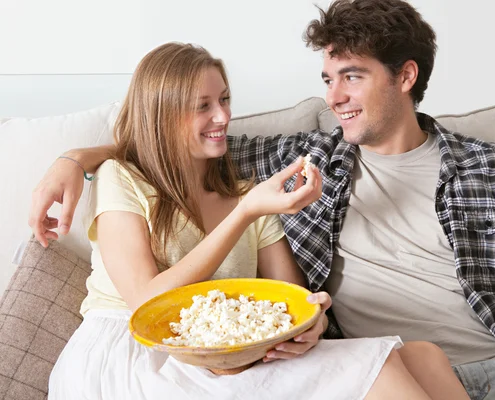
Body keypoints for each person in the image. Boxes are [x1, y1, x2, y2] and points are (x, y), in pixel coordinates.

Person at [30, 1, 495, 399]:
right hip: (179, 354)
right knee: (412, 356)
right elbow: (165, 145)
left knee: (424, 356)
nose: (333, 98)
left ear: (405, 76)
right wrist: (73, 159)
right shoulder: (303, 162)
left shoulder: (494, 169)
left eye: (350, 77)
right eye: (327, 79)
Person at [45, 42, 469, 400]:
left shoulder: (246, 190)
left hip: (230, 351)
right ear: (163, 114)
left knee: (425, 356)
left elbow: (290, 297)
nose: (223, 118)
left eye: (225, 100)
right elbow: (146, 304)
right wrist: (245, 213)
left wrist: (314, 321)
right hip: (134, 356)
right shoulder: (122, 177)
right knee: (383, 371)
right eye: (203, 107)